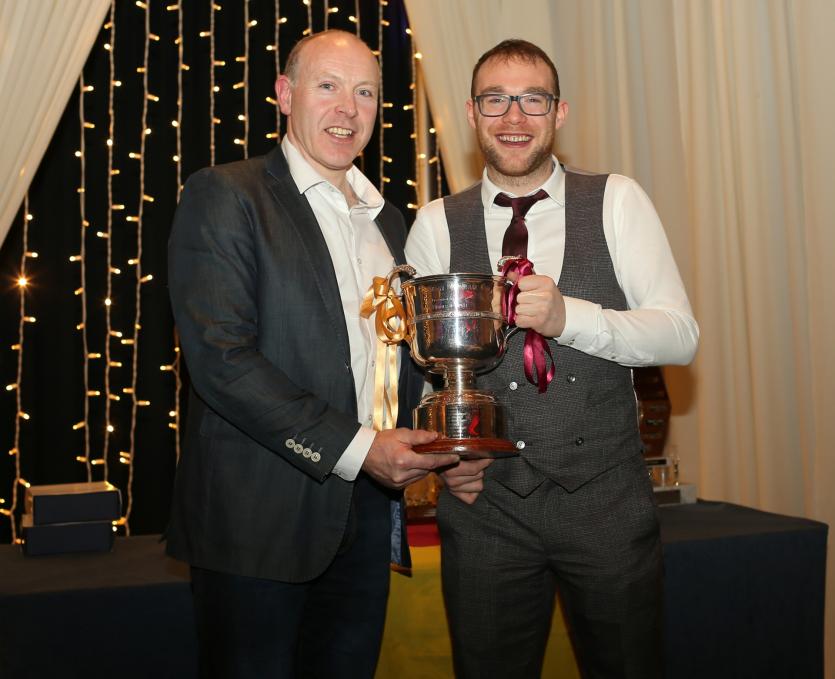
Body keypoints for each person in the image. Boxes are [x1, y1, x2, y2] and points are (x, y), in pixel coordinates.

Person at [166, 29, 458, 679]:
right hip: (257, 525)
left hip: (366, 515)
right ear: (283, 94)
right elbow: (222, 361)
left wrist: (444, 436)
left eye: (364, 93)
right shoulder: (227, 195)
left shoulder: (389, 222)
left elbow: (394, 360)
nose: (347, 110)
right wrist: (359, 447)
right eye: (327, 86)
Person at [405, 39, 699, 679]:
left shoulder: (618, 200)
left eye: (532, 99)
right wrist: (448, 462)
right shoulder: (434, 223)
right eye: (496, 100)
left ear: (559, 112)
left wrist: (571, 319)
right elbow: (420, 369)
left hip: (607, 505)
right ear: (472, 112)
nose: (514, 117)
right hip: (484, 510)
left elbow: (680, 335)